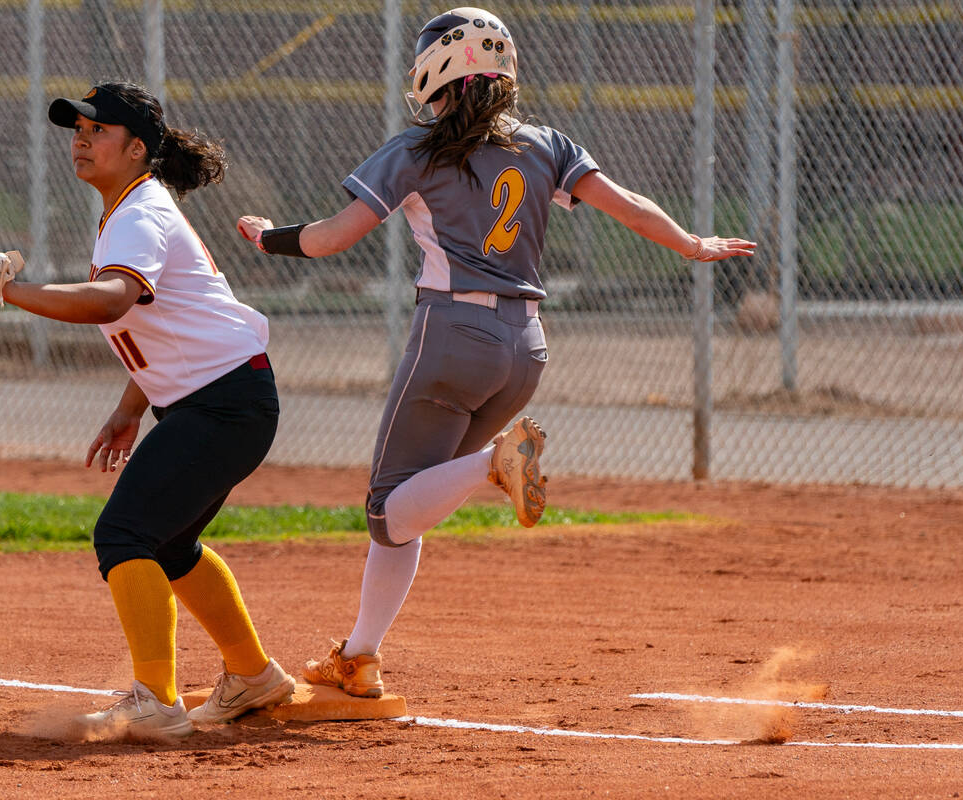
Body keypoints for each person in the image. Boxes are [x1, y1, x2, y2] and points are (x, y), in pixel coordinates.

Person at [235, 7, 755, 699]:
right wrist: (692, 245)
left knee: (387, 508)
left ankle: (496, 464)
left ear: (432, 71)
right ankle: (359, 658)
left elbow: (332, 238)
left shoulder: (418, 150)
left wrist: (270, 237)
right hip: (526, 347)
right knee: (412, 505)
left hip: (454, 335)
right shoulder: (545, 144)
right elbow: (629, 205)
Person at [0, 81, 296, 738]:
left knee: (124, 535)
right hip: (225, 397)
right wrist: (132, 405)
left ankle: (156, 703)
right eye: (76, 127)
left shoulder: (139, 215)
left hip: (224, 403)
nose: (80, 137)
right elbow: (166, 322)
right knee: (169, 543)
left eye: (96, 129)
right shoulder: (132, 208)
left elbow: (110, 301)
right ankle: (253, 677)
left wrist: (10, 290)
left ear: (136, 149)